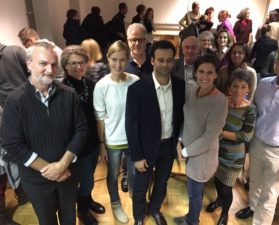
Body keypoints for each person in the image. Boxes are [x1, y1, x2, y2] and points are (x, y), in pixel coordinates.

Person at [0, 42, 88, 225]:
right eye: (43, 64)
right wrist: (49, 169)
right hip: (36, 181)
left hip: (68, 175)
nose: (50, 69)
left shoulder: (69, 95)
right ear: (29, 63)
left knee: (69, 219)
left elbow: (81, 130)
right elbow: (13, 145)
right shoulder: (14, 101)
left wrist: (62, 165)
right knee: (47, 221)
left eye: (54, 64)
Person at [235, 44, 279, 225]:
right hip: (257, 143)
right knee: (254, 182)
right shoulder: (264, 84)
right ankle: (253, 206)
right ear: (276, 61)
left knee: (270, 196)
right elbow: (254, 112)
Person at [125, 40, 185, 225]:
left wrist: (179, 140)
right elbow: (131, 125)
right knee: (140, 186)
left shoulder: (180, 86)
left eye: (169, 60)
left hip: (168, 146)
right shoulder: (137, 89)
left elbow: (181, 117)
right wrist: (136, 156)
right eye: (161, 60)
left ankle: (155, 209)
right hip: (145, 148)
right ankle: (138, 217)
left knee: (162, 183)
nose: (165, 64)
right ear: (152, 61)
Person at [173, 54, 228, 225]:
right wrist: (180, 139)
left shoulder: (219, 101)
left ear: (216, 75)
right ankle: (191, 217)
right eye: (201, 72)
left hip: (203, 158)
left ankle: (192, 221)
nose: (204, 77)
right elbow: (187, 119)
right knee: (193, 193)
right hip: (190, 152)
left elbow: (209, 138)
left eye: (209, 73)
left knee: (194, 194)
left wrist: (185, 151)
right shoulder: (193, 90)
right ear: (195, 73)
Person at [93, 40, 139, 224]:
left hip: (133, 139)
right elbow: (100, 118)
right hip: (113, 140)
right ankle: (115, 203)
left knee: (134, 173)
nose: (118, 64)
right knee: (112, 175)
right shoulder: (102, 86)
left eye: (122, 60)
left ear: (128, 59)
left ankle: (137, 200)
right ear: (108, 59)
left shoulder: (135, 81)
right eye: (114, 59)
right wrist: (102, 145)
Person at [61, 46, 105, 225]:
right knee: (86, 180)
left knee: (90, 176)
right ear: (65, 66)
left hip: (93, 142)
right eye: (73, 63)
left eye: (82, 62)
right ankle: (82, 210)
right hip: (78, 146)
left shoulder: (90, 83)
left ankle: (88, 199)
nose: (79, 67)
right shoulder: (62, 88)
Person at [206, 69, 256, 225]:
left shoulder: (250, 109)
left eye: (243, 87)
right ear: (229, 87)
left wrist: (222, 133)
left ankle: (225, 214)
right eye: (235, 86)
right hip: (216, 152)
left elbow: (246, 136)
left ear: (248, 89)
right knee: (217, 181)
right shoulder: (222, 101)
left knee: (227, 187)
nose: (238, 90)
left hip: (233, 158)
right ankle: (219, 200)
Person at [0, 43, 29, 225]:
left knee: (25, 151)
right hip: (5, 116)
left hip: (25, 109)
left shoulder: (15, 51)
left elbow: (32, 71)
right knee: (9, 157)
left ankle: (25, 191)